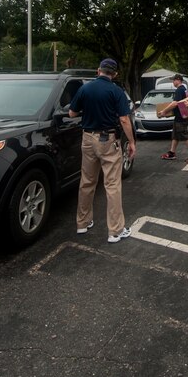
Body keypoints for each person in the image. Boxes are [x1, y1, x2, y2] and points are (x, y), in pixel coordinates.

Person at [68, 58, 136, 244]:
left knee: (87, 182)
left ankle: (82, 223)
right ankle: (115, 231)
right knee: (112, 184)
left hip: (87, 138)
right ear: (114, 74)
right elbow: (124, 119)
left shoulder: (85, 89)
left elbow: (72, 113)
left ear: (99, 71)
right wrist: (131, 142)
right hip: (107, 139)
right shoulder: (116, 91)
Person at [158, 74, 188, 163]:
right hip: (182, 115)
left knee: (183, 134)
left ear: (178, 80)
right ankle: (172, 153)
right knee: (175, 135)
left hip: (182, 117)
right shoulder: (185, 89)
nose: (173, 82)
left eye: (173, 80)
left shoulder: (179, 90)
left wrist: (164, 111)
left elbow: (175, 103)